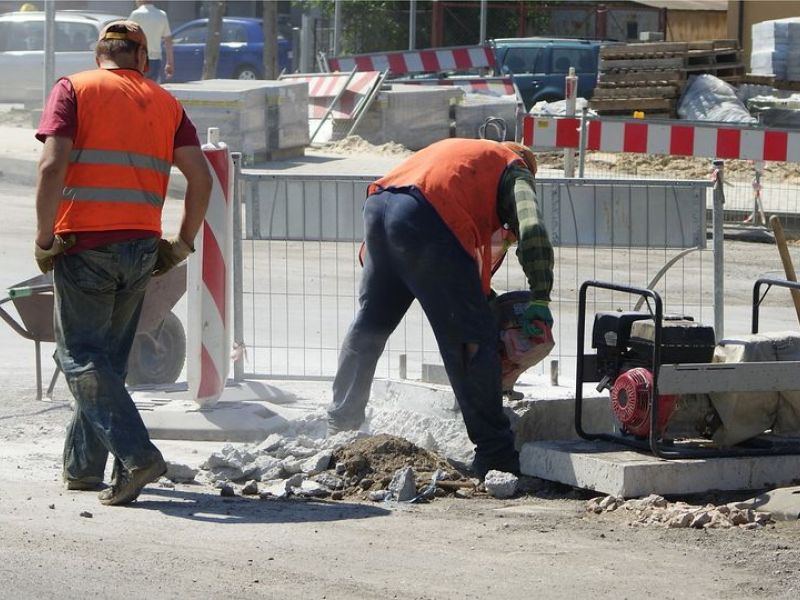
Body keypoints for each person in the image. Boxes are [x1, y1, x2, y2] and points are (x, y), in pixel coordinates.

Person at [34, 20, 211, 505]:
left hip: (85, 245)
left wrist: (45, 237)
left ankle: (137, 456)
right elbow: (201, 178)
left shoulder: (74, 88)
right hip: (141, 247)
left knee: (78, 356)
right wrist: (182, 243)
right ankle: (83, 469)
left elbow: (52, 166)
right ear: (142, 60)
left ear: (100, 55)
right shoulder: (166, 102)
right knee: (106, 360)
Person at [327, 138, 554, 477]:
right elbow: (532, 228)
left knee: (370, 326)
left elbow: (463, 270)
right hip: (429, 216)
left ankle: (340, 428)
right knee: (470, 342)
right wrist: (540, 295)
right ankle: (495, 454)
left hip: (381, 209)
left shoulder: (464, 159)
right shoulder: (514, 169)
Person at [128, 0, 173, 82]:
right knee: (152, 89)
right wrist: (169, 63)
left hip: (139, 59)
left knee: (138, 88)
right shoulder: (162, 15)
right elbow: (168, 39)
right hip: (156, 60)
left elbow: (127, 36)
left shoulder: (136, 15)